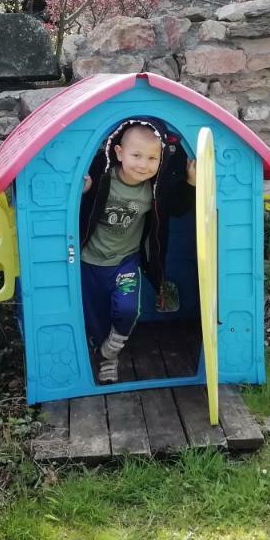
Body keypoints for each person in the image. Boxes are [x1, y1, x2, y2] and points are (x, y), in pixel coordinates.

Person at [80, 118, 196, 383]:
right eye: (136, 155)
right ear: (119, 153)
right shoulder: (102, 179)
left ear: (161, 160)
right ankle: (107, 359)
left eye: (152, 158)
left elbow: (177, 209)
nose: (143, 164)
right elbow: (77, 211)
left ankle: (111, 348)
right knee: (97, 315)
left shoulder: (153, 190)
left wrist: (191, 182)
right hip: (90, 261)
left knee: (128, 308)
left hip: (125, 261)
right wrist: (84, 192)